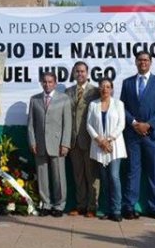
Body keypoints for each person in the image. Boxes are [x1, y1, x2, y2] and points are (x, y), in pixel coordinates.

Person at [119, 51, 155, 220]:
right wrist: (134, 123)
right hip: (133, 135)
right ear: (135, 62)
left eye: (146, 60)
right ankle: (129, 207)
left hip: (152, 135)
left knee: (153, 172)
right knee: (132, 171)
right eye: (140, 60)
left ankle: (154, 207)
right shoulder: (127, 83)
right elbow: (123, 107)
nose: (143, 62)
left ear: (150, 62)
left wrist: (148, 124)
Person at [27, 71, 71, 217]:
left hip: (57, 144)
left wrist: (65, 144)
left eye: (50, 82)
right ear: (41, 83)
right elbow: (31, 124)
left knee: (59, 177)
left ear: (55, 83)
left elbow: (67, 124)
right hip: (39, 144)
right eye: (44, 82)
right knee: (42, 176)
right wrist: (32, 141)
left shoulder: (64, 99)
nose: (47, 84)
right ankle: (45, 204)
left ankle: (59, 205)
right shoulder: (34, 99)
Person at [86, 78, 126, 222]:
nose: (105, 89)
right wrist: (100, 141)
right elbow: (89, 125)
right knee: (104, 179)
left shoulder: (118, 104)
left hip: (114, 147)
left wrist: (108, 140)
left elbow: (121, 124)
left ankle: (117, 210)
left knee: (114, 177)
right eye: (102, 86)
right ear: (99, 89)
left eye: (108, 87)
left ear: (112, 89)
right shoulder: (93, 104)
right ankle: (108, 210)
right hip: (99, 147)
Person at [65, 61, 99, 217]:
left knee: (91, 175)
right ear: (73, 73)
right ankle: (81, 205)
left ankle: (92, 207)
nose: (80, 74)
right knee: (78, 175)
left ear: (87, 73)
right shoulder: (68, 92)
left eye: (82, 71)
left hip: (90, 139)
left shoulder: (95, 91)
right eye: (77, 71)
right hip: (73, 140)